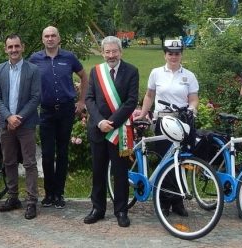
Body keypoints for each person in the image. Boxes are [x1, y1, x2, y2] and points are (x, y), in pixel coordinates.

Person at [135, 39, 199, 217]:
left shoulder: (189, 76)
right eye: (170, 53)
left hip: (183, 122)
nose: (173, 56)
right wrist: (143, 113)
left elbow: (193, 98)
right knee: (165, 161)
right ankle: (163, 202)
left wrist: (192, 109)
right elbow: (149, 95)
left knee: (181, 162)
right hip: (163, 122)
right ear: (165, 55)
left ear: (181, 55)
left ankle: (178, 202)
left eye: (177, 53)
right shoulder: (156, 73)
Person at [29, 26, 88, 209]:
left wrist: (81, 101)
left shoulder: (69, 57)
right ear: (42, 39)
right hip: (46, 111)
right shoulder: (35, 59)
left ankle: (59, 194)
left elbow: (84, 77)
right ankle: (48, 193)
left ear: (59, 38)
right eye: (47, 36)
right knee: (47, 154)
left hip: (66, 110)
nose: (50, 38)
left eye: (53, 35)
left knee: (62, 153)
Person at [84, 36, 138, 227]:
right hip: (98, 130)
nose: (111, 55)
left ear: (120, 52)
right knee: (98, 172)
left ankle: (121, 210)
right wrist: (100, 122)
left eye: (114, 51)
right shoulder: (96, 72)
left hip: (119, 130)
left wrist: (112, 123)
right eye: (107, 52)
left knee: (120, 173)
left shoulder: (132, 71)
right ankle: (97, 209)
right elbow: (89, 99)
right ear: (102, 53)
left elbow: (131, 101)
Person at [0, 34, 41, 220]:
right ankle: (13, 197)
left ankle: (31, 201)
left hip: (25, 123)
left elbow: (36, 97)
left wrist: (18, 117)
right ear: (6, 49)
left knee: (29, 163)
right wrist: (8, 116)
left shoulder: (33, 70)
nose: (14, 50)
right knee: (9, 161)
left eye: (17, 46)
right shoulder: (0, 69)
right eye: (10, 47)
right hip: (6, 123)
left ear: (23, 47)